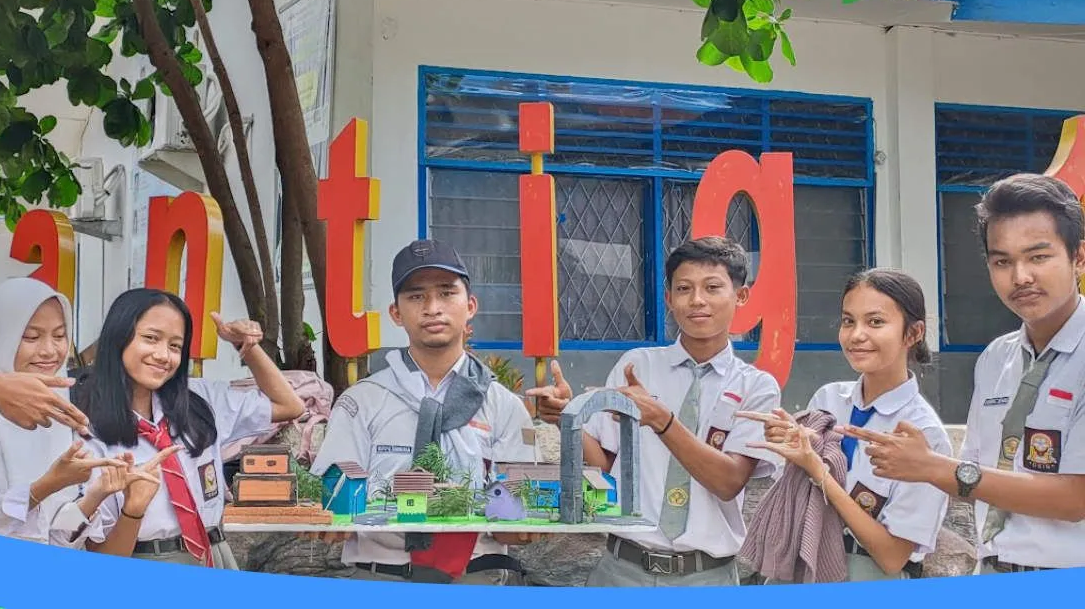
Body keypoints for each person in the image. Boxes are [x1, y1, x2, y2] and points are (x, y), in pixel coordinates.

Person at [840, 174, 1085, 572]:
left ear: (1078, 258)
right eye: (1002, 261)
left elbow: (1075, 500)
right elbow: (977, 475)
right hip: (992, 569)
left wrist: (933, 467)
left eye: (1038, 257)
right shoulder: (995, 359)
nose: (1020, 276)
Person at [533, 236, 781, 587]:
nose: (697, 300)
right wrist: (569, 417)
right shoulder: (637, 365)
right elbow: (604, 466)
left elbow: (728, 482)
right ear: (669, 299)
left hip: (707, 578)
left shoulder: (756, 387)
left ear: (741, 296)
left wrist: (662, 421)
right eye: (683, 288)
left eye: (712, 287)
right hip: (622, 570)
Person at [305, 238, 540, 585]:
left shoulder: (503, 406)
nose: (432, 307)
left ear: (470, 305)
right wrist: (327, 519)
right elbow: (333, 495)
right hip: (380, 580)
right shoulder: (363, 401)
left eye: (447, 293)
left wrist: (520, 523)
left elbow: (517, 513)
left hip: (475, 581)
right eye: (416, 296)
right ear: (396, 313)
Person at [53, 288, 304, 568]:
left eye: (175, 346)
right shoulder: (88, 427)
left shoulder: (198, 399)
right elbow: (101, 554)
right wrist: (133, 509)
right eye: (151, 339)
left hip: (214, 553)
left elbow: (289, 406)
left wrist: (247, 347)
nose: (163, 355)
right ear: (118, 338)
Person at [738, 269, 953, 581]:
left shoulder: (922, 434)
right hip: (802, 568)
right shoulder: (828, 400)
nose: (856, 335)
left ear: (913, 333)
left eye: (875, 322)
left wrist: (819, 472)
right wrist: (795, 447)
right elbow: (800, 499)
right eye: (848, 321)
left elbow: (892, 556)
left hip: (869, 575)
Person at [0, 278, 128, 544]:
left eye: (60, 336)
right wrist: (41, 489)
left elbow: (57, 538)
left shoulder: (59, 412)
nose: (50, 351)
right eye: (31, 337)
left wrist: (97, 494)